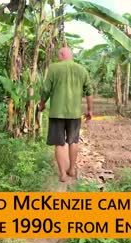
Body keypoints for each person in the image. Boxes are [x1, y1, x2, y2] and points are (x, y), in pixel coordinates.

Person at [37, 47, 93, 183]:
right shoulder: (82, 69)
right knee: (73, 141)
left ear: (61, 55)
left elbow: (46, 89)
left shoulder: (54, 68)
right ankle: (72, 169)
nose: (58, 58)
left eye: (58, 55)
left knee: (59, 143)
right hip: (74, 113)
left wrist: (42, 103)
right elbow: (89, 91)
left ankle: (62, 174)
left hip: (57, 113)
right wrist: (90, 110)